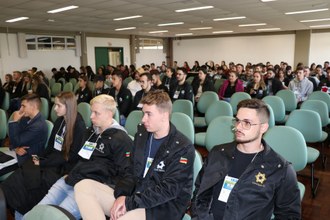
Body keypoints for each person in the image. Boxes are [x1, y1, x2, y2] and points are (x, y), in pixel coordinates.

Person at [74, 90, 195, 220]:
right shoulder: (142, 136)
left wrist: (129, 203)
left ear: (164, 115)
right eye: (143, 113)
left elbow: (168, 190)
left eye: (149, 114)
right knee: (83, 186)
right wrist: (122, 195)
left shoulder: (182, 147)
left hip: (161, 207)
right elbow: (131, 170)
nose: (143, 119)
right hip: (135, 196)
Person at [27, 94, 134, 219]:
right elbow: (81, 158)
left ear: (109, 113)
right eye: (91, 111)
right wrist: (72, 172)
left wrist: (101, 184)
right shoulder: (90, 132)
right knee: (37, 212)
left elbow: (126, 173)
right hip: (71, 179)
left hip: (89, 188)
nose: (91, 116)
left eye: (96, 113)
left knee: (54, 217)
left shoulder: (121, 140)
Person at [191, 99, 301, 219]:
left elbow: (289, 215)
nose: (238, 127)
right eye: (237, 121)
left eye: (247, 123)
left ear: (263, 128)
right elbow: (200, 192)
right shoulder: (218, 153)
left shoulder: (280, 169)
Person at [1, 92, 86, 218]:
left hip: (64, 167)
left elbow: (70, 156)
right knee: (24, 171)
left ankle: (25, 211)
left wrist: (42, 162)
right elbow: (50, 147)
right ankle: (15, 208)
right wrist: (37, 158)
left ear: (68, 106)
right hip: (51, 160)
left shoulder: (78, 125)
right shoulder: (59, 121)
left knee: (34, 181)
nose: (55, 108)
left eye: (58, 105)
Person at [8, 93, 48, 165]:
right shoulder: (26, 118)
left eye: (23, 106)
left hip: (29, 158)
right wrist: (16, 148)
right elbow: (16, 138)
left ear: (34, 107)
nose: (21, 109)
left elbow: (16, 141)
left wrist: (14, 122)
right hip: (18, 152)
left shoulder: (38, 126)